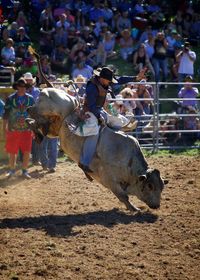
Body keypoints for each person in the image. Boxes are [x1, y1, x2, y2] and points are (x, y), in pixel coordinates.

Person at [78, 66, 146, 174]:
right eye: (108, 80)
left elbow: (120, 79)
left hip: (99, 109)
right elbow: (91, 105)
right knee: (94, 130)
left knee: (115, 120)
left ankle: (118, 132)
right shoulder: (92, 86)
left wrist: (136, 78)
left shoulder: (105, 81)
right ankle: (84, 162)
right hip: (90, 109)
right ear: (102, 78)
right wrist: (99, 116)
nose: (110, 82)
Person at [2, 78, 35, 179]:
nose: (22, 88)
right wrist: (4, 128)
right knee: (12, 151)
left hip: (27, 129)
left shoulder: (31, 99)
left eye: (24, 86)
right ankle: (12, 170)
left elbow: (33, 115)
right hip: (13, 129)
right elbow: (6, 115)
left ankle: (24, 170)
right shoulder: (10, 99)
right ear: (16, 87)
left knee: (27, 151)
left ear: (26, 87)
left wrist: (34, 129)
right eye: (20, 86)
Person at [23, 72, 41, 165]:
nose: (28, 81)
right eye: (26, 80)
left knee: (36, 138)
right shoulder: (22, 91)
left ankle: (35, 159)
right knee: (24, 137)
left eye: (29, 80)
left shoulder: (37, 91)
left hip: (33, 117)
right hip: (24, 116)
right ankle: (23, 159)